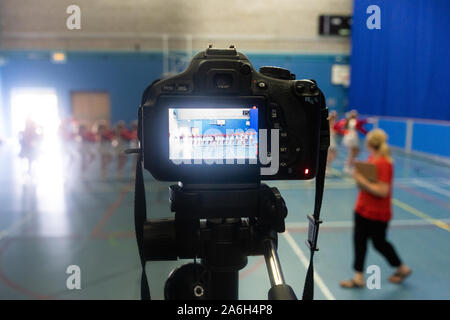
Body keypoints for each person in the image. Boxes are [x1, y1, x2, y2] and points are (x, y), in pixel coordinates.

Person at [340, 129, 412, 288]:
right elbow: (366, 186)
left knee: (379, 243)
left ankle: (401, 268)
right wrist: (358, 178)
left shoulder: (384, 162)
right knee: (360, 242)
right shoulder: (373, 159)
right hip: (363, 209)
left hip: (376, 213)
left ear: (370, 143)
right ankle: (358, 276)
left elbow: (382, 191)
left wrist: (360, 179)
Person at [335, 110, 368, 174]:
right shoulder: (354, 121)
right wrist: (367, 121)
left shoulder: (349, 121)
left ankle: (349, 165)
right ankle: (347, 166)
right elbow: (360, 125)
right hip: (351, 138)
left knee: (355, 152)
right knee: (352, 153)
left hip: (350, 138)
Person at [326, 111, 338, 175]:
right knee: (330, 154)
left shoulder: (335, 123)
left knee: (334, 154)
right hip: (330, 140)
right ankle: (327, 167)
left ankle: (328, 166)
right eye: (334, 116)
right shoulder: (328, 123)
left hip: (333, 140)